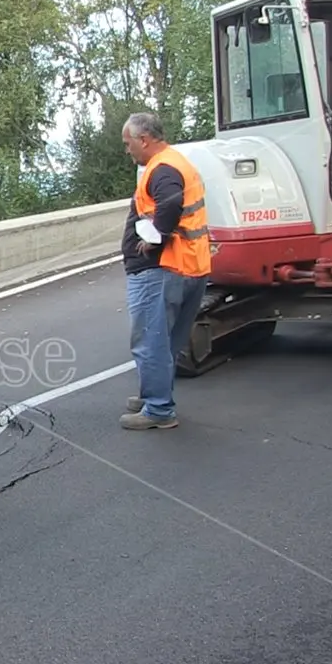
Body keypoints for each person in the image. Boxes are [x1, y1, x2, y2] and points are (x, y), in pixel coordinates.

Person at [119, 111, 212, 430]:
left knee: (150, 341)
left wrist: (154, 240)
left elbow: (170, 204)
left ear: (143, 139)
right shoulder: (175, 161)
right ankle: (153, 394)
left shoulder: (163, 169)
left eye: (128, 142)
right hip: (191, 264)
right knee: (167, 341)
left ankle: (158, 410)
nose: (127, 149)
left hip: (164, 268)